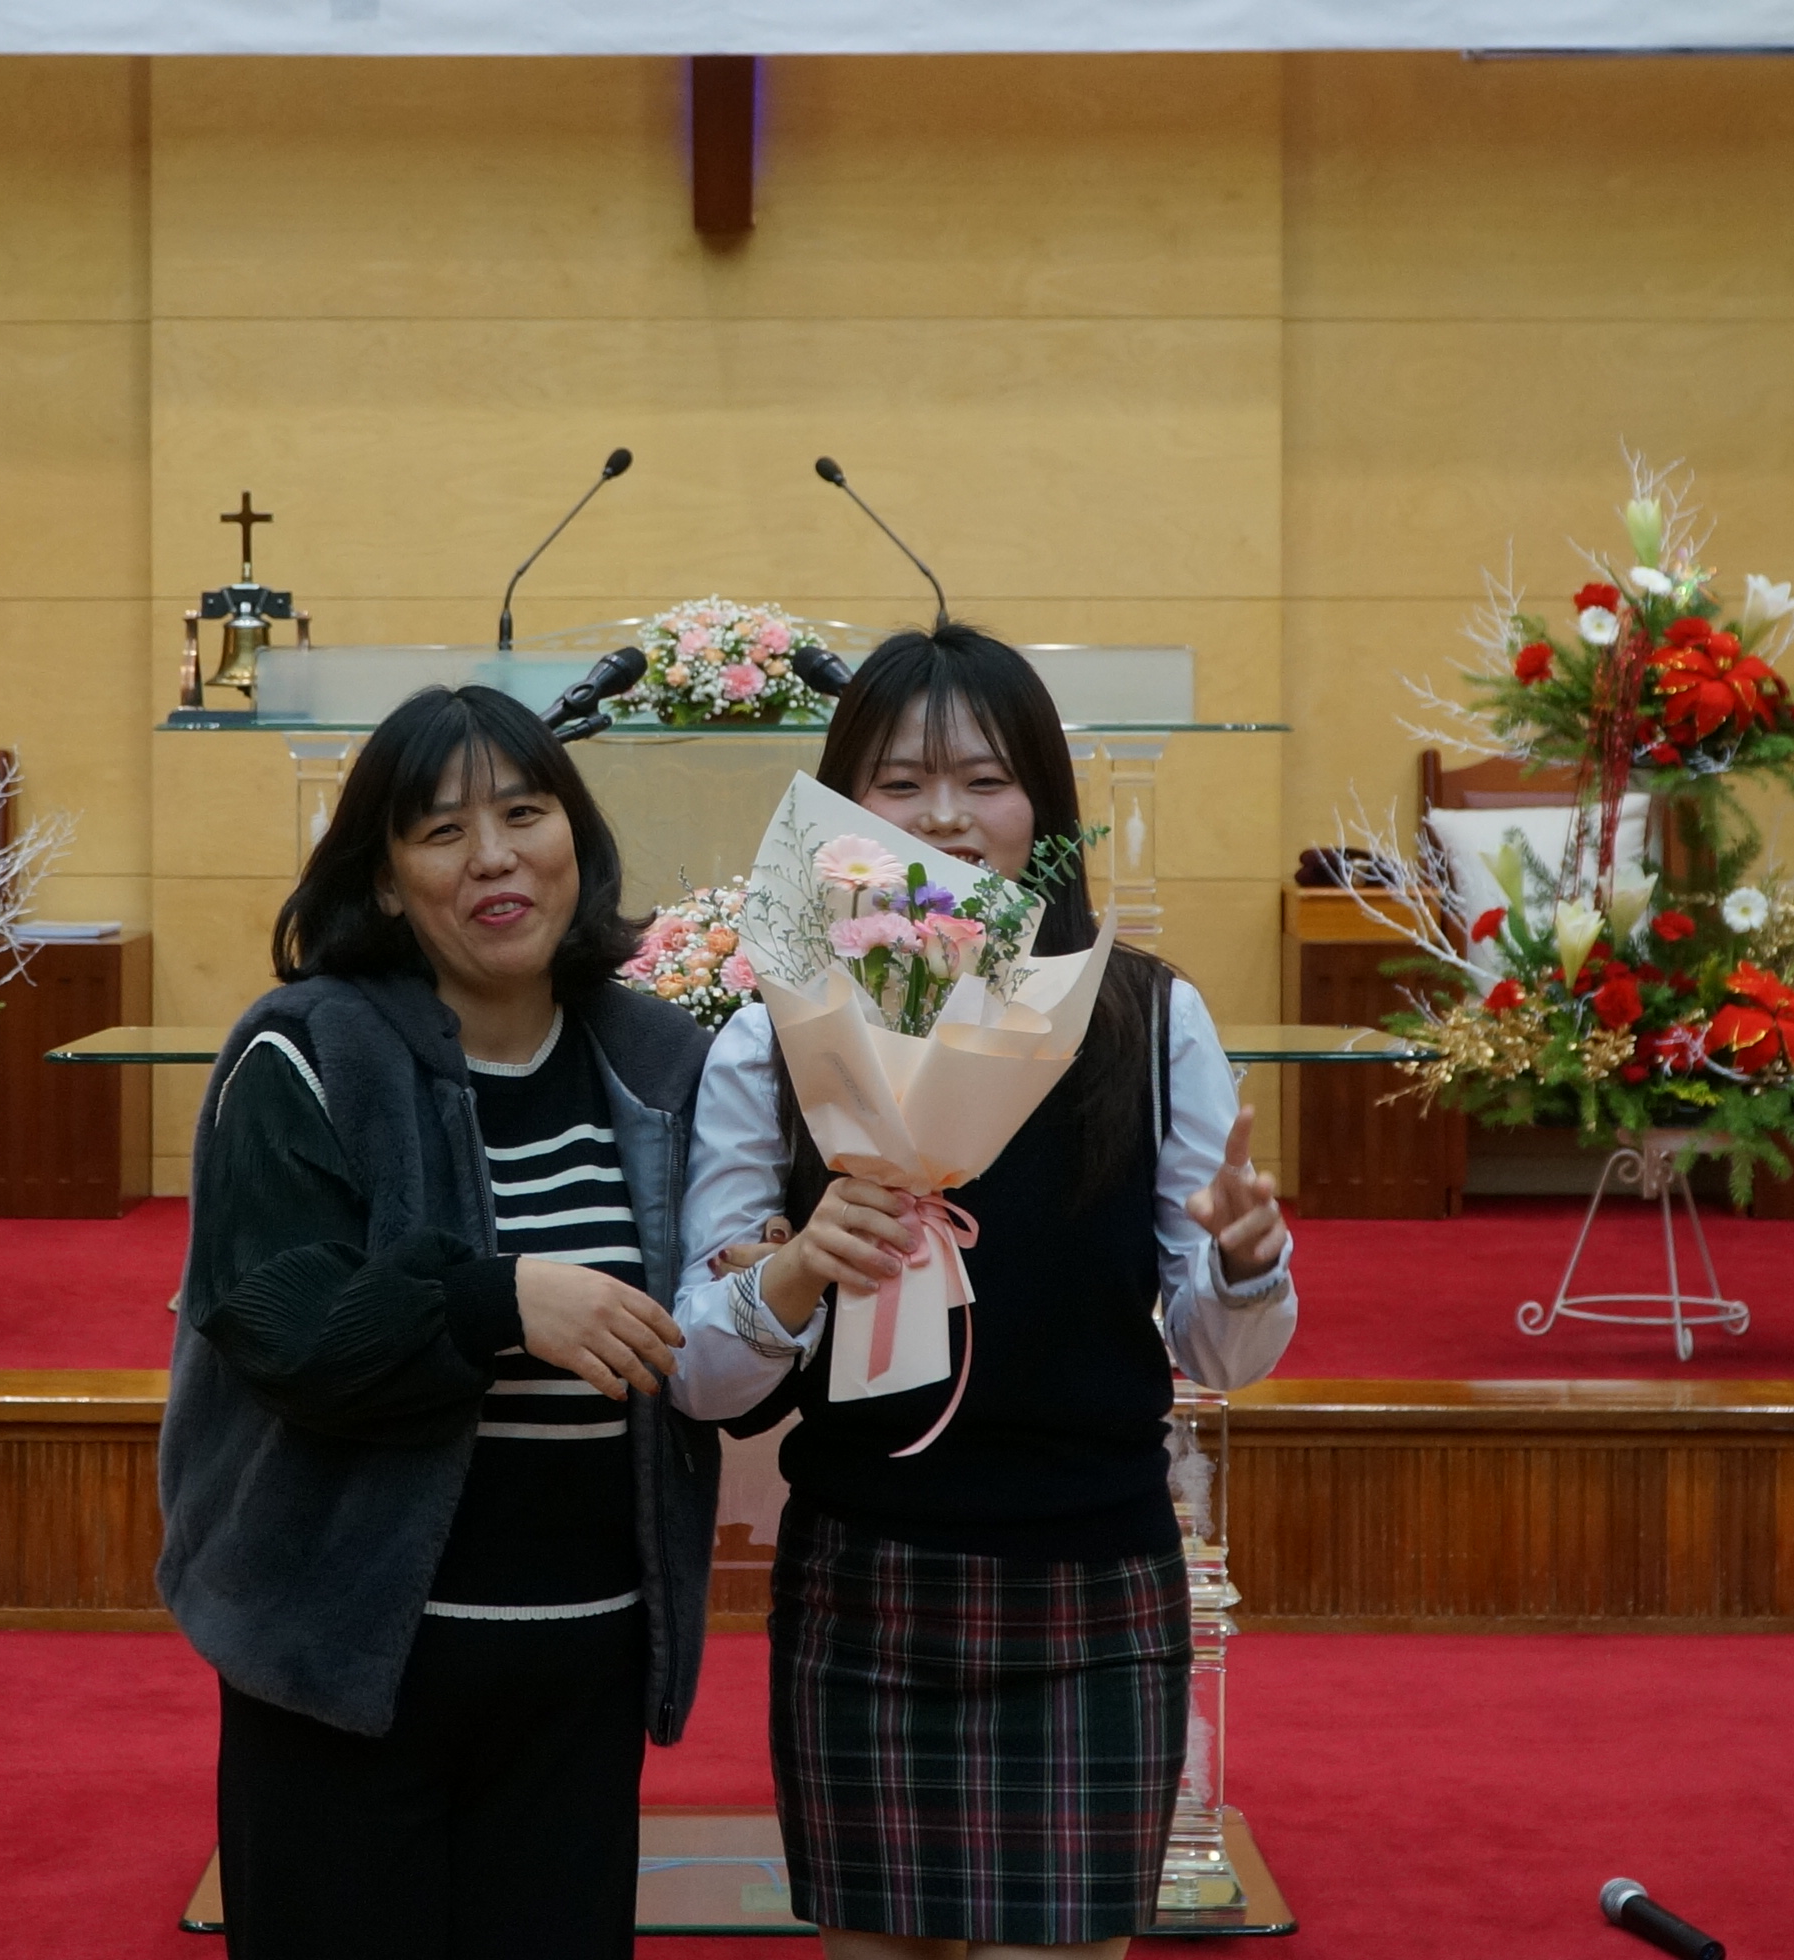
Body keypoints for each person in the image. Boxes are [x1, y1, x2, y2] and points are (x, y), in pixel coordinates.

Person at [668, 624, 1298, 1960]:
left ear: (1043, 809)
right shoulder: (769, 1040)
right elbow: (705, 1377)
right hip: (865, 1581)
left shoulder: (1143, 1022)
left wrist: (1246, 1263)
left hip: (1093, 1574)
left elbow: (1221, 1353)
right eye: (899, 783)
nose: (945, 817)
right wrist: (795, 1266)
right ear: (840, 815)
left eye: (986, 779)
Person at [156, 683, 719, 1959]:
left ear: (574, 834)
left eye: (523, 813)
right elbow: (284, 1324)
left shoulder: (659, 1056)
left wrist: (777, 1277)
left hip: (581, 1665)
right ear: (385, 877)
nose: (494, 857)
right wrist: (499, 1299)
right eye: (442, 830)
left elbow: (714, 1331)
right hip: (346, 1674)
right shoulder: (308, 1050)